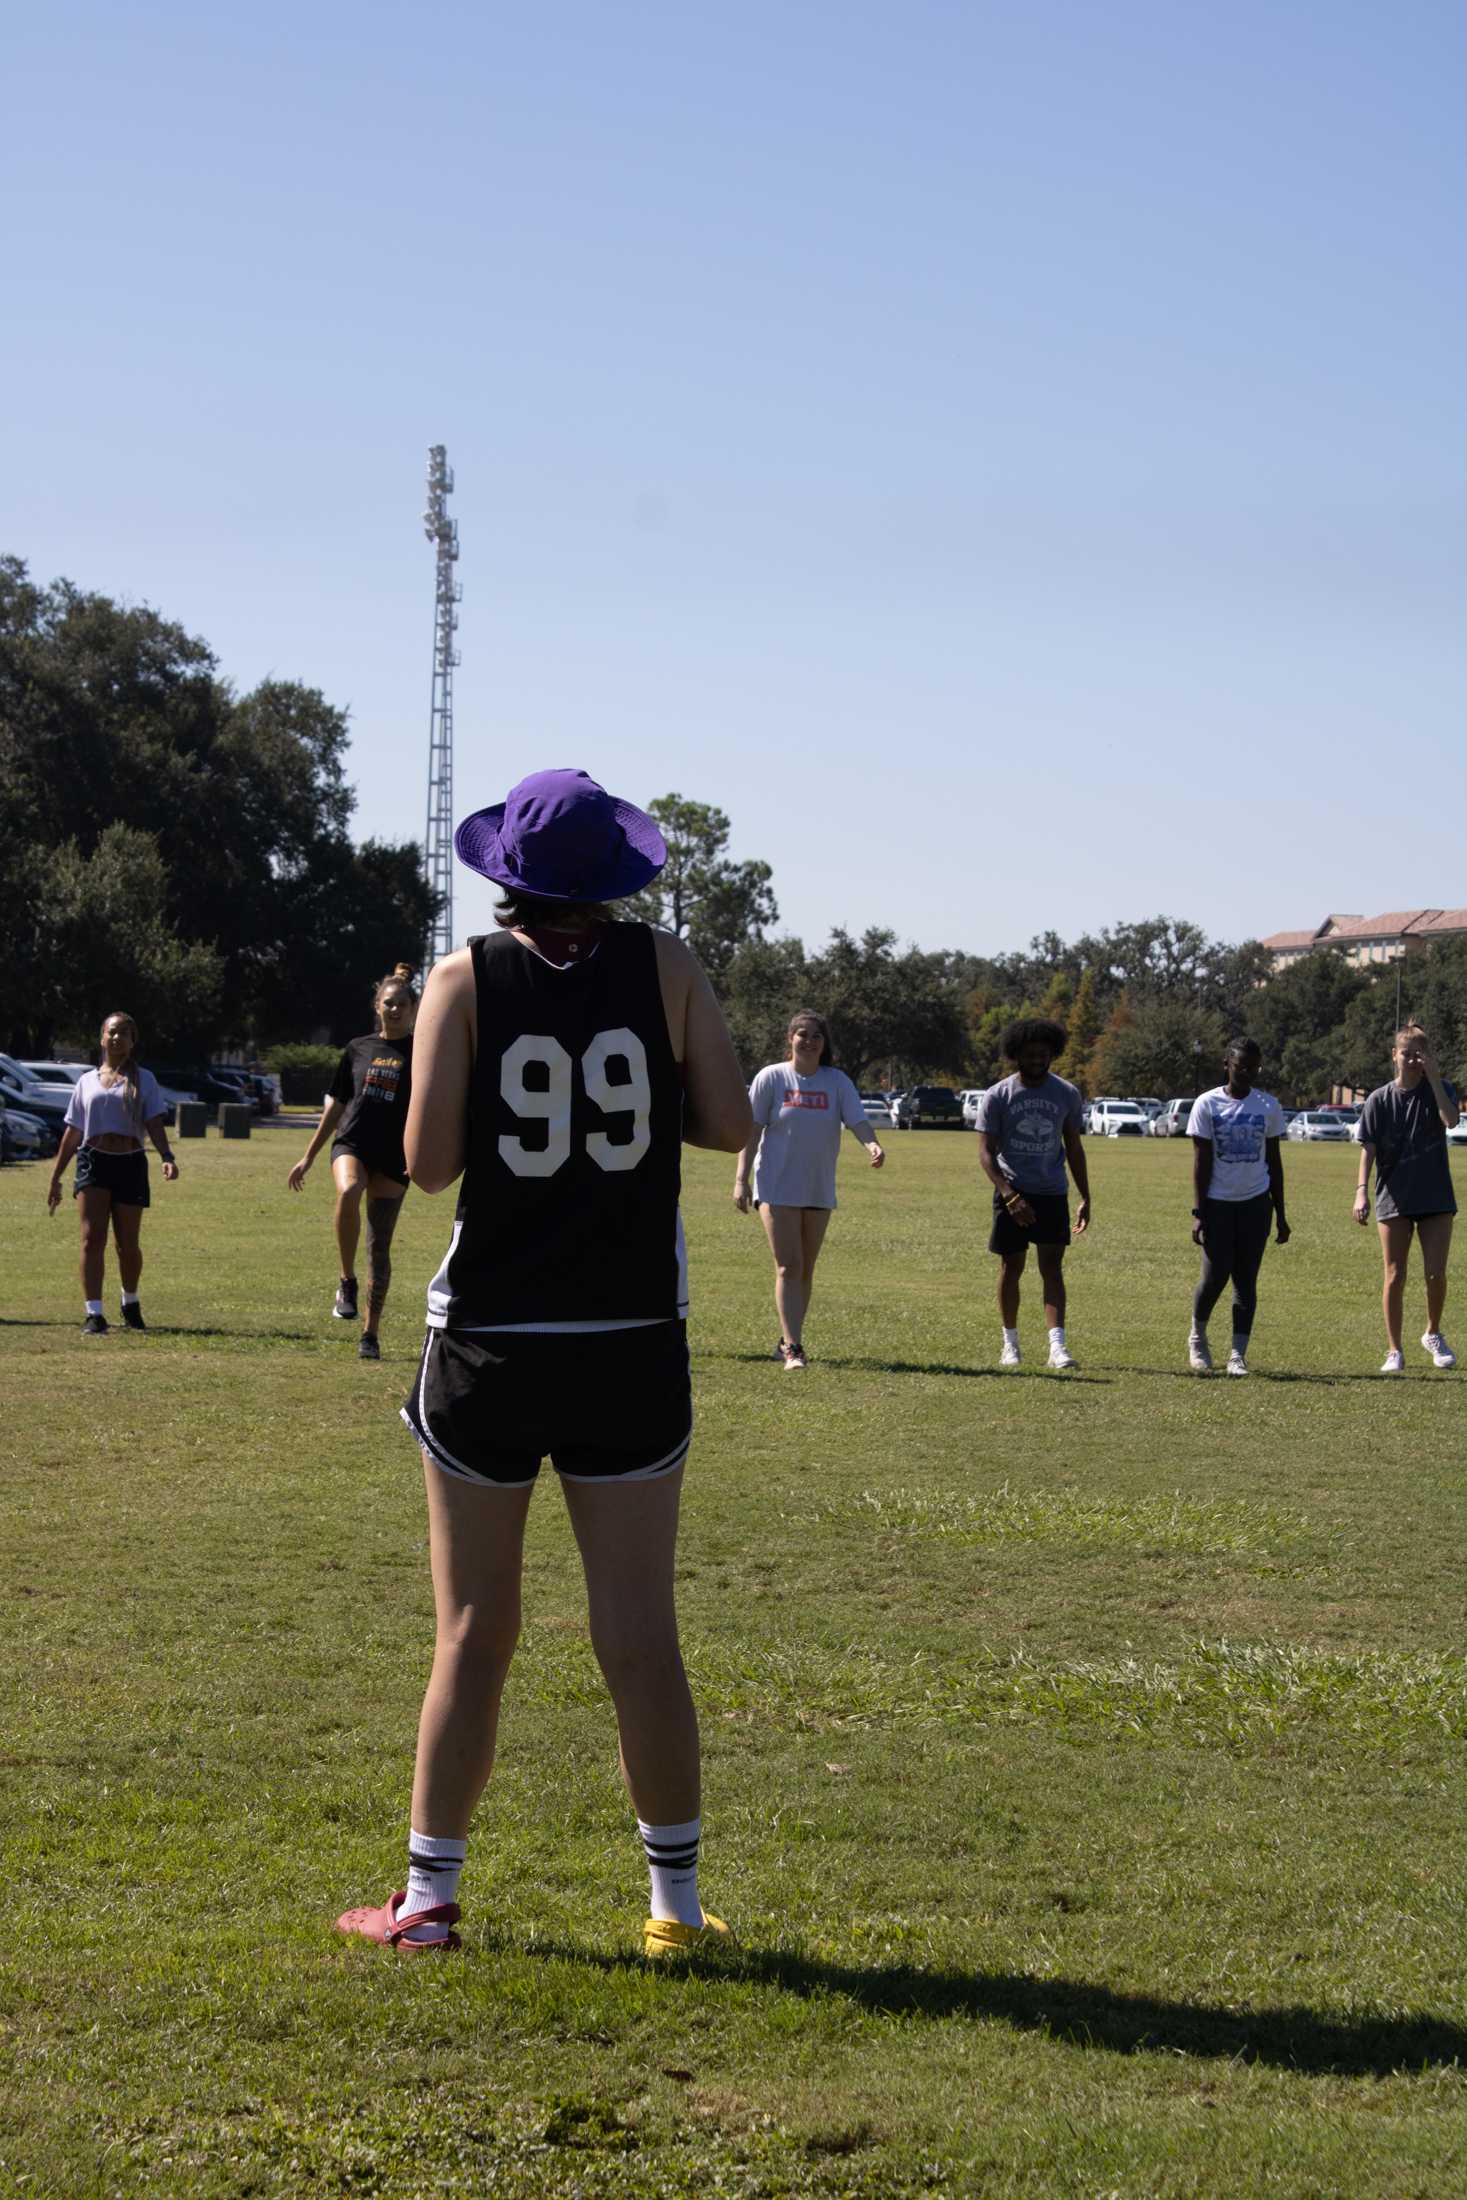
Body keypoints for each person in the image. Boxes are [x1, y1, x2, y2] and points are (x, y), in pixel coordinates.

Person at [335, 769, 751, 1956]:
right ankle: (672, 1907)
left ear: (504, 873)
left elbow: (425, 1165)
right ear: (612, 875)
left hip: (491, 1340)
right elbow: (731, 1123)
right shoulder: (665, 966)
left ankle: (426, 1902)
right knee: (639, 1627)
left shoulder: (464, 975)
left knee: (472, 1626)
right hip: (629, 1337)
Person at [732, 1012, 885, 1370]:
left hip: (817, 1186)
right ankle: (794, 1349)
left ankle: (787, 1338)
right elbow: (751, 1131)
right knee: (788, 1265)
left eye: (817, 1035)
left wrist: (872, 1146)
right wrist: (741, 1179)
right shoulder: (772, 1077)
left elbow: (857, 1120)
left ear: (824, 1042)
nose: (810, 1040)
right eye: (803, 1034)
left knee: (805, 1270)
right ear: (790, 1038)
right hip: (776, 1184)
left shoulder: (836, 1081)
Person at [287, 966, 417, 1361]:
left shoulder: (423, 1051)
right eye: (388, 1003)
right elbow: (337, 1106)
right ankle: (346, 1281)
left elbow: (431, 1108)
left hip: (394, 1156)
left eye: (401, 1004)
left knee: (380, 1247)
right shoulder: (357, 1048)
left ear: (414, 1008)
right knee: (348, 1188)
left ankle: (370, 1334)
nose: (394, 1009)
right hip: (353, 1143)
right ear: (377, 1006)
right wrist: (308, 1156)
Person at [45, 1011, 179, 1333]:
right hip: (93, 1160)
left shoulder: (144, 1079)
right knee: (92, 1239)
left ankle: (130, 1303)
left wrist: (167, 1155)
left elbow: (153, 1123)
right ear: (101, 1037)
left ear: (133, 1042)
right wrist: (56, 1176)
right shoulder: (86, 1082)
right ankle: (94, 1313)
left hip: (130, 1162)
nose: (117, 1038)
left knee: (128, 1243)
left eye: (125, 1034)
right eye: (112, 1032)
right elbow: (73, 1131)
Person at [975, 1019, 1089, 1370]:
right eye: (1030, 1054)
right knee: (1011, 1267)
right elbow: (985, 1152)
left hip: (1052, 1192)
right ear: (1016, 1056)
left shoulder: (1066, 1093)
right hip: (1012, 1191)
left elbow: (1073, 1146)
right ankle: (1010, 1344)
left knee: (1052, 1269)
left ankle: (1058, 1347)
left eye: (1044, 1054)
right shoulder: (999, 1095)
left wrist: (1086, 1195)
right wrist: (1009, 1194)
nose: (1038, 1060)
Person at [1354, 1023, 1459, 1373]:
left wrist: (1434, 1078)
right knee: (1395, 1274)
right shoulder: (1379, 1099)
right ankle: (1394, 1350)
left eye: (1420, 1053)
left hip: (1435, 1196)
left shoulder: (1440, 1088)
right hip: (1393, 1197)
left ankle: (1432, 1332)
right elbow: (1367, 1148)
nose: (1413, 1059)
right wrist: (1360, 1193)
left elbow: (1450, 1119)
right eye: (1407, 1053)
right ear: (1394, 1055)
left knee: (1435, 1273)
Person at [1186, 1039, 1289, 1376]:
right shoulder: (1207, 1104)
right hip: (1217, 1204)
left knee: (1246, 1280)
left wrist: (1281, 1214)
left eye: (1253, 1066)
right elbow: (1200, 1164)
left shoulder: (1268, 1106)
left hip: (1255, 1205)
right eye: (1241, 1065)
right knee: (1215, 1277)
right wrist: (1199, 1213)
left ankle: (1237, 1355)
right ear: (1226, 1064)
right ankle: (1197, 1338)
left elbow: (1274, 1161)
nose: (1247, 1072)